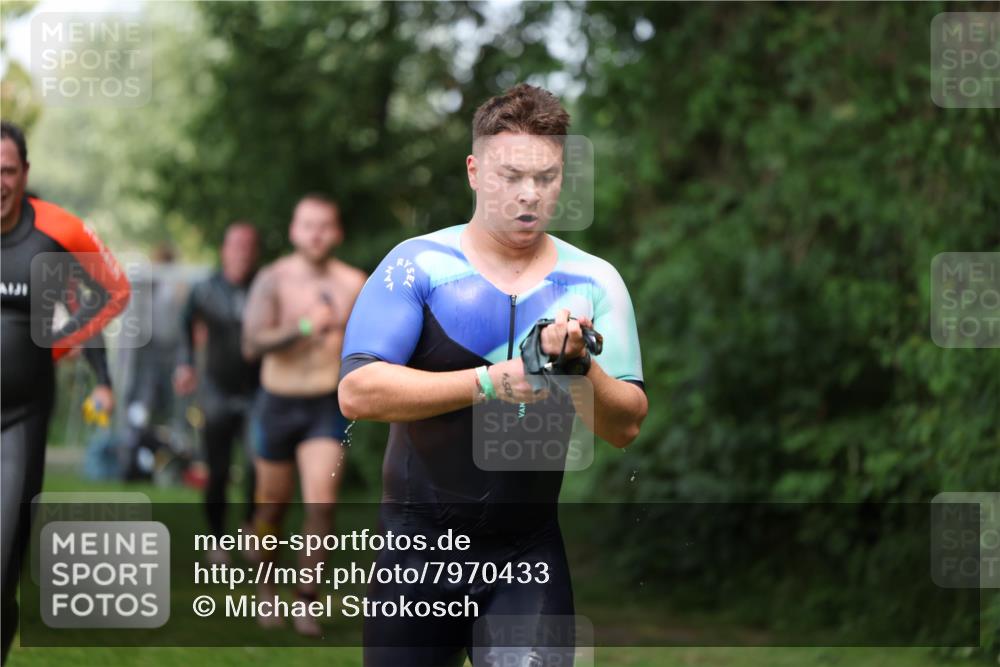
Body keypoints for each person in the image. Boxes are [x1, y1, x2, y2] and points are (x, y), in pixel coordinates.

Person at [338, 83, 648, 666]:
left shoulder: (594, 281)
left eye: (548, 177)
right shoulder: (417, 263)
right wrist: (489, 383)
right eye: (511, 176)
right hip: (416, 552)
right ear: (475, 171)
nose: (530, 194)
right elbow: (357, 391)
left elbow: (625, 426)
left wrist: (580, 367)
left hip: (527, 556)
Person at [1, 121, 130, 663]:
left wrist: (58, 344)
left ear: (24, 174)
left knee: (2, 561)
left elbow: (114, 291)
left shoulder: (56, 230)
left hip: (19, 421)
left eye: (6, 170)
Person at [241, 194, 366, 636]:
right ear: (294, 231)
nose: (315, 233)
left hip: (325, 406)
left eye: (324, 225)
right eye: (307, 225)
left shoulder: (354, 282)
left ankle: (306, 600)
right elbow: (251, 344)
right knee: (270, 508)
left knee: (322, 504)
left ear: (337, 232)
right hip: (278, 401)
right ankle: (265, 589)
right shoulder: (273, 279)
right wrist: (307, 326)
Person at [174, 222, 261, 564]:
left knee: (258, 465)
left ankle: (251, 528)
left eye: (248, 246)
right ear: (224, 250)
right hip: (216, 390)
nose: (241, 252)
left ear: (256, 253)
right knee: (218, 470)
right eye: (235, 245)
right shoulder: (205, 289)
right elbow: (183, 327)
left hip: (258, 391)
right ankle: (217, 537)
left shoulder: (265, 287)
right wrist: (185, 365)